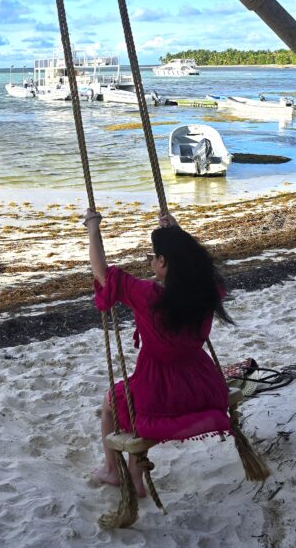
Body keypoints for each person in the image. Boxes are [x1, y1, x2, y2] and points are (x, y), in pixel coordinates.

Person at [83, 207, 234, 492]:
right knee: (133, 401)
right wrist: (177, 232)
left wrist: (93, 228)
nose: (150, 263)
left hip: (158, 390)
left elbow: (103, 273)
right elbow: (193, 261)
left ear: (163, 262)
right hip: (201, 385)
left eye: (152, 258)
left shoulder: (150, 297)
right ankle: (135, 477)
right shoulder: (205, 290)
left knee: (114, 403)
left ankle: (112, 470)